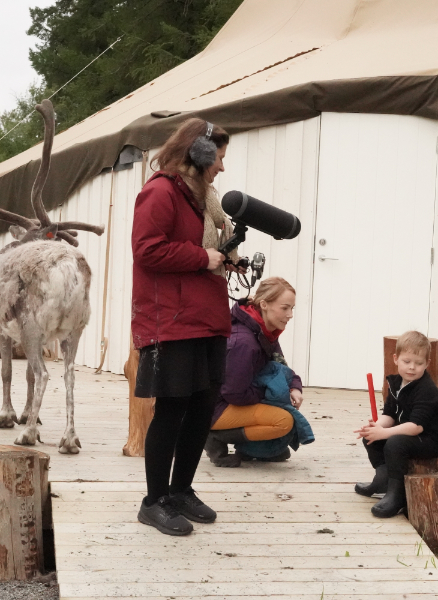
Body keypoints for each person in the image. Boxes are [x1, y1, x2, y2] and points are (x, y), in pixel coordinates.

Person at [131, 118, 237, 536]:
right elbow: (147, 250)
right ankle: (153, 501)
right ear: (201, 154)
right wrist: (202, 258)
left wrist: (223, 258)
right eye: (221, 158)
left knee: (200, 409)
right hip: (171, 320)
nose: (223, 168)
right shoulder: (160, 192)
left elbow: (199, 250)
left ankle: (181, 491)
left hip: (206, 317)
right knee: (172, 410)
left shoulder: (201, 199)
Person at [205, 277, 307, 467]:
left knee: (283, 409)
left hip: (236, 399)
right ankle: (214, 436)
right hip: (213, 409)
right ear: (264, 304)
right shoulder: (244, 342)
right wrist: (270, 394)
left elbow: (280, 368)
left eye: (292, 308)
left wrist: (294, 387)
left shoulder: (265, 331)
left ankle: (260, 448)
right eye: (285, 308)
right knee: (283, 421)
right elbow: (233, 393)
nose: (290, 314)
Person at [354, 331, 438, 518]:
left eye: (418, 363)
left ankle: (397, 494)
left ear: (427, 364)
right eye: (407, 361)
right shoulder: (397, 383)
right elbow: (390, 414)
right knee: (372, 437)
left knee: (394, 443)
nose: (412, 368)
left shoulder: (426, 390)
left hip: (432, 438)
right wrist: (376, 427)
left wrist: (384, 433)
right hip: (410, 430)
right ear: (396, 358)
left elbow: (416, 426)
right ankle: (382, 479)